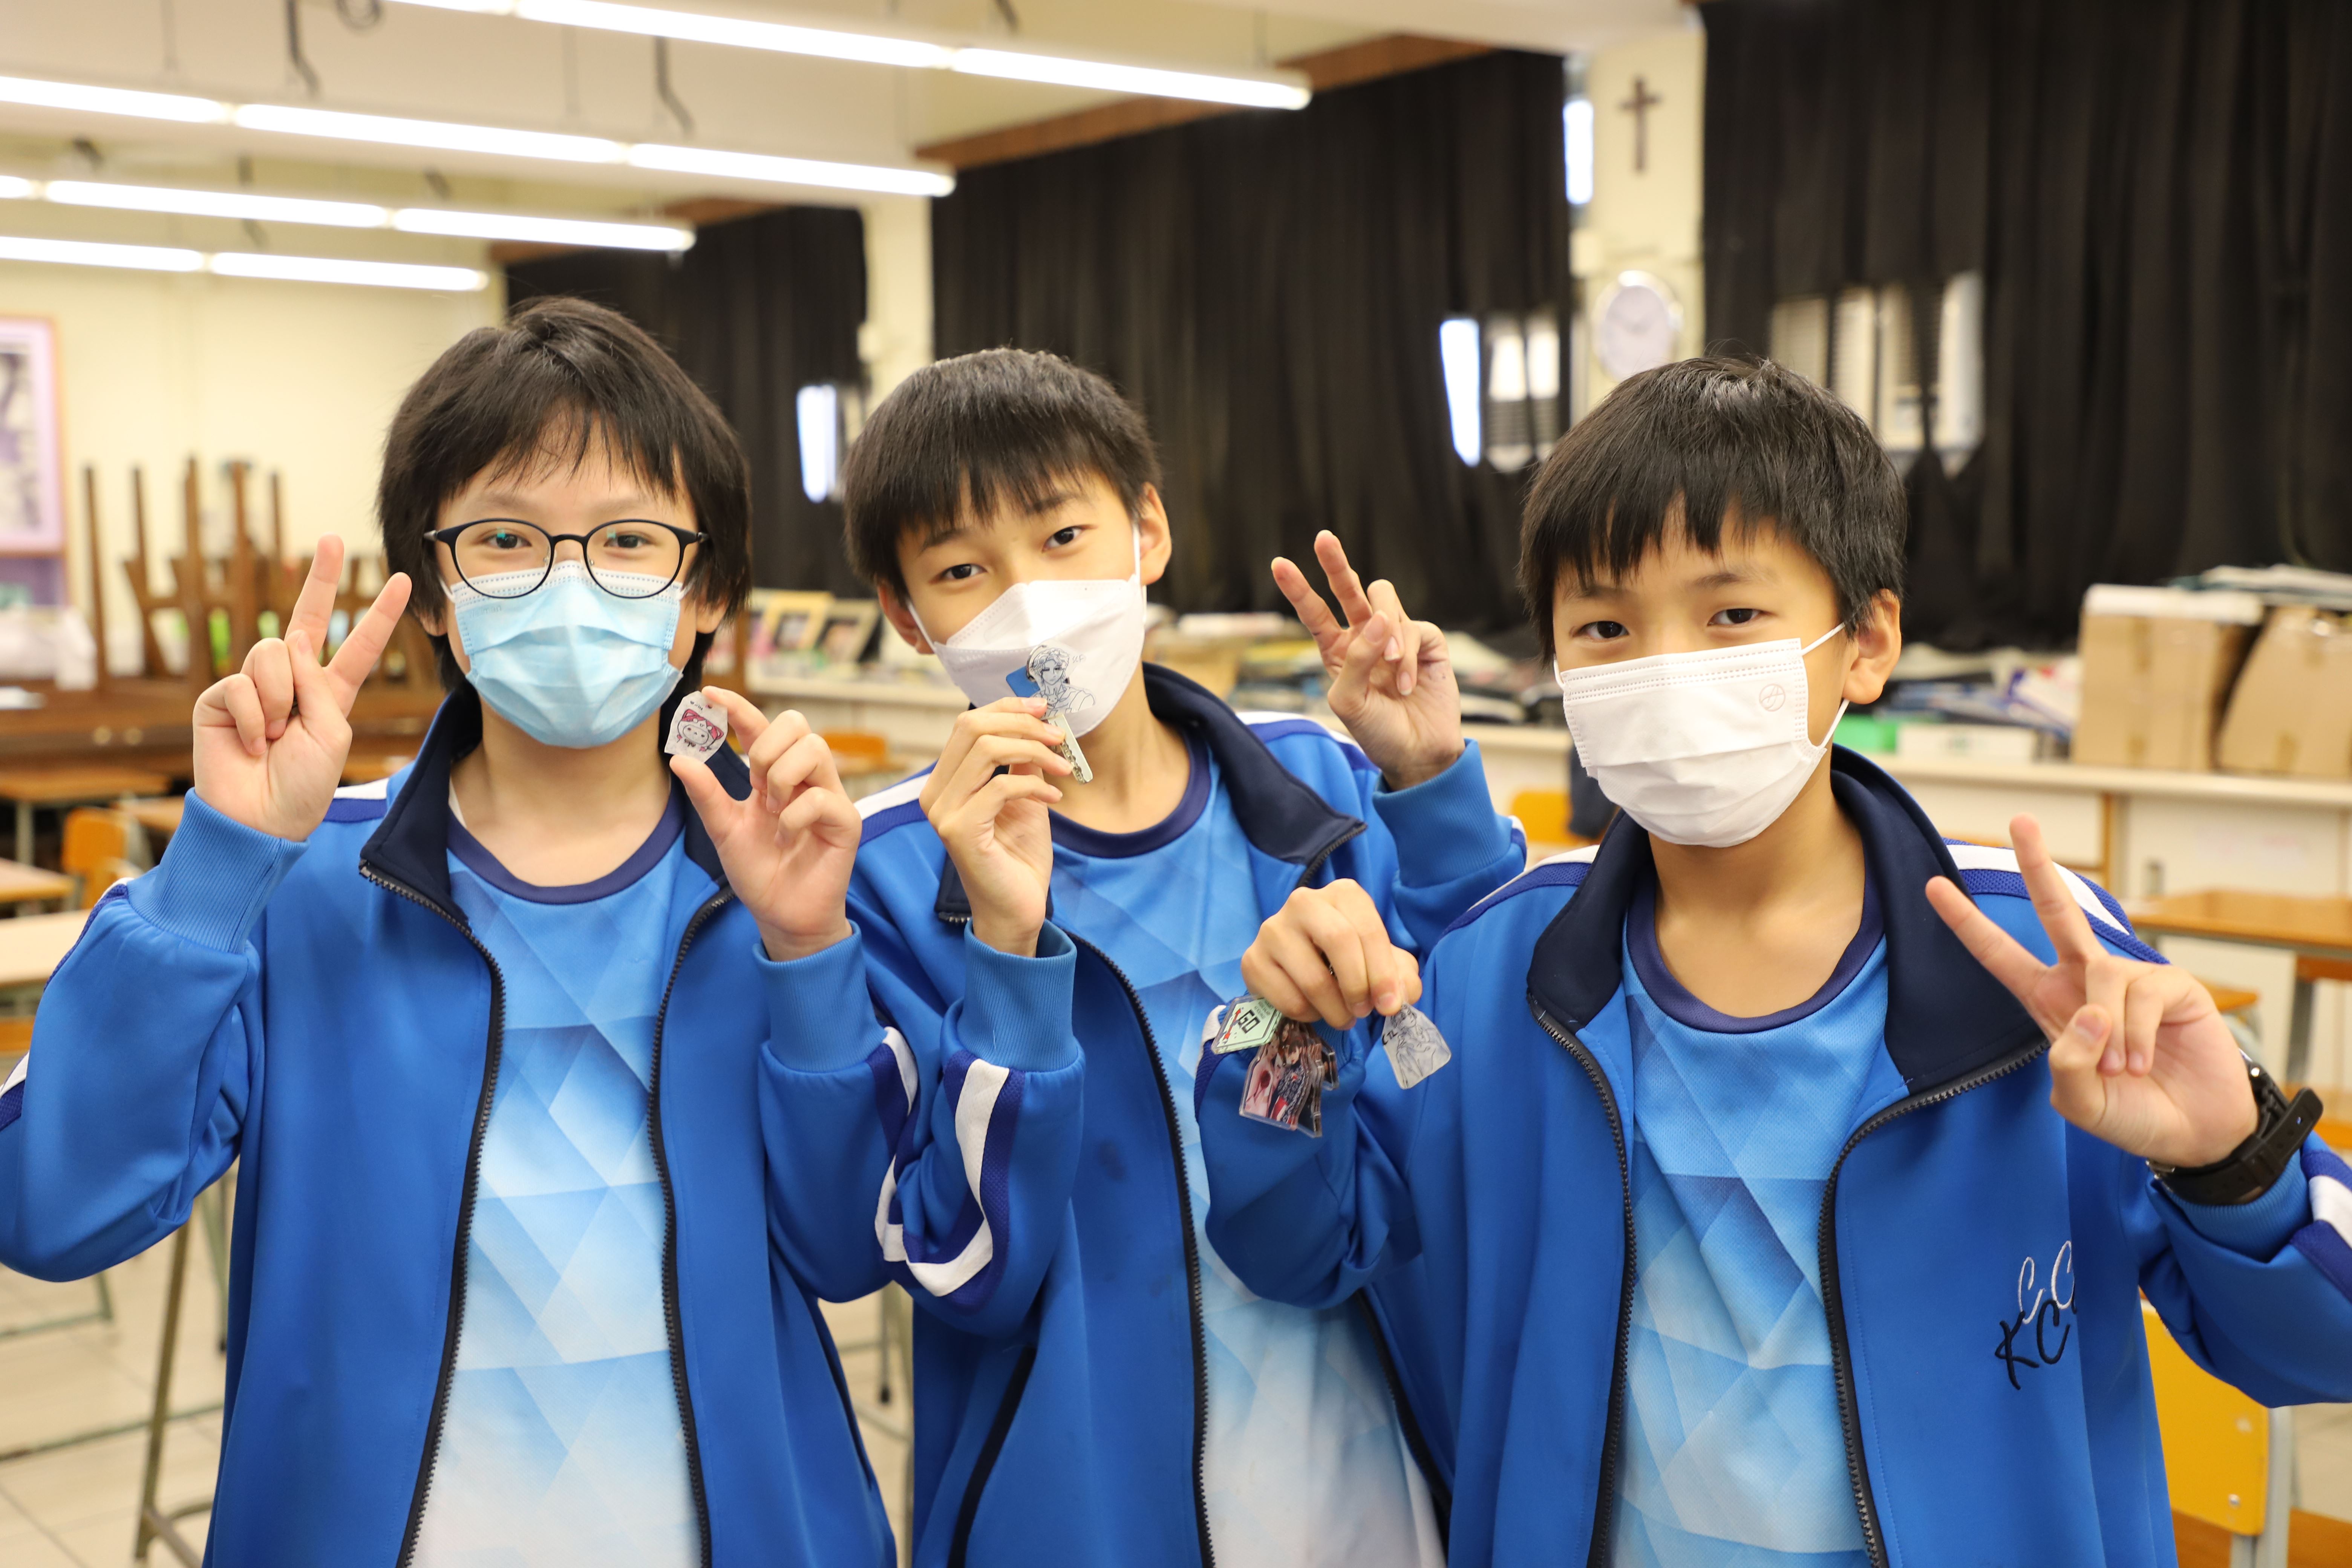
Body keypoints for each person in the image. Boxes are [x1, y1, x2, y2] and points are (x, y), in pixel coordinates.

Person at [1194, 356, 2352, 1567]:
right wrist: (1273, 1034)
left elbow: (2313, 1350)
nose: (1665, 665)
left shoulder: (2038, 973)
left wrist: (2235, 1162)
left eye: (1733, 615)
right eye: (1605, 628)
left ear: (1868, 643)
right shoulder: (1500, 970)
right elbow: (1302, 1248)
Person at [0, 298, 892, 1567]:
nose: (570, 582)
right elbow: (52, 1210)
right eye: (507, 540)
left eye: (629, 540)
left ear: (709, 591)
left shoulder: (785, 884)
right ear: (431, 594)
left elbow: (854, 1251)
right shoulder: (300, 888)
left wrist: (810, 958)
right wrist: (214, 868)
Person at [746, 348, 1525, 1568]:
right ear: (905, 617)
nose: (1029, 601)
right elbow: (952, 1269)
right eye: (962, 571)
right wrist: (1008, 950)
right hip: (1072, 1515)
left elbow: (1457, 1082)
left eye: (1064, 537)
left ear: (1147, 532)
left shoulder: (1316, 787)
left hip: (1366, 1486)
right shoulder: (885, 877)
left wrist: (1431, 791)